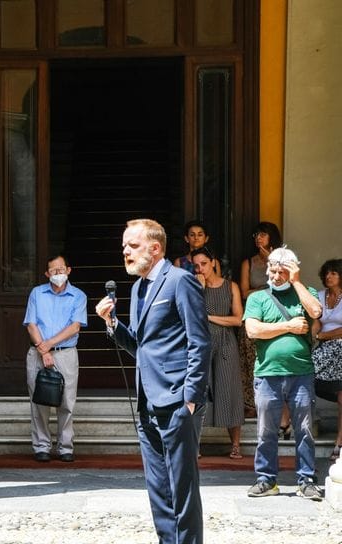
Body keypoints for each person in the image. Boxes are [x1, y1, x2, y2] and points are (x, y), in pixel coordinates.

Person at [96, 218, 210, 544]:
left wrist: (191, 399)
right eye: (124, 246)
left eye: (133, 245)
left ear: (155, 247)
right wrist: (112, 323)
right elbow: (141, 347)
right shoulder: (137, 288)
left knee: (182, 487)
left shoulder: (180, 281)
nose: (126, 251)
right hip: (147, 402)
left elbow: (200, 342)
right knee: (158, 487)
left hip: (177, 401)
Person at [243, 247, 323, 501]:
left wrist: (297, 282)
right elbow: (253, 330)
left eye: (282, 272)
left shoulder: (305, 292)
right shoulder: (258, 297)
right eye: (272, 270)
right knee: (266, 431)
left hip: (301, 373)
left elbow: (316, 312)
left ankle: (306, 480)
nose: (275, 276)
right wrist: (288, 326)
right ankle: (266, 479)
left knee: (304, 429)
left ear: (293, 271)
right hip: (267, 373)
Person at [24, 254, 87, 463]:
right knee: (39, 402)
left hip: (65, 354)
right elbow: (31, 324)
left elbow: (75, 326)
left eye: (61, 269)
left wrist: (48, 345)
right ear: (46, 274)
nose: (58, 273)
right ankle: (41, 446)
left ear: (68, 270)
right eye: (53, 270)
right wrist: (43, 351)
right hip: (38, 353)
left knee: (67, 402)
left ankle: (65, 447)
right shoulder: (37, 293)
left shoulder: (78, 296)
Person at [190, 247, 245, 458]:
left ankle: (236, 445)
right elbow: (191, 317)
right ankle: (194, 444)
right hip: (201, 344)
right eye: (196, 266)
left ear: (213, 262)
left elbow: (238, 319)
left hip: (225, 342)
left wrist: (210, 317)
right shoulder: (193, 286)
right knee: (198, 392)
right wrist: (199, 290)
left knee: (229, 390)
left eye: (204, 264)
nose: (200, 269)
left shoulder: (231, 286)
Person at [238, 222, 283, 421]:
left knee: (274, 360)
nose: (258, 238)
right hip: (255, 317)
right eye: (257, 234)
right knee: (250, 361)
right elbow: (244, 292)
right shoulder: (249, 262)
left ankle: (276, 404)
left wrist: (272, 261)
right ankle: (251, 404)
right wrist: (266, 290)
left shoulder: (283, 260)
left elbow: (287, 286)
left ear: (272, 237)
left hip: (276, 318)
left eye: (263, 234)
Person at [311, 258, 342, 461]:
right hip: (323, 348)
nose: (329, 276)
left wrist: (323, 335)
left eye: (334, 273)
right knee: (303, 376)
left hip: (340, 348)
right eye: (327, 273)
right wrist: (313, 337)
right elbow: (316, 322)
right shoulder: (320, 296)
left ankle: (339, 441)